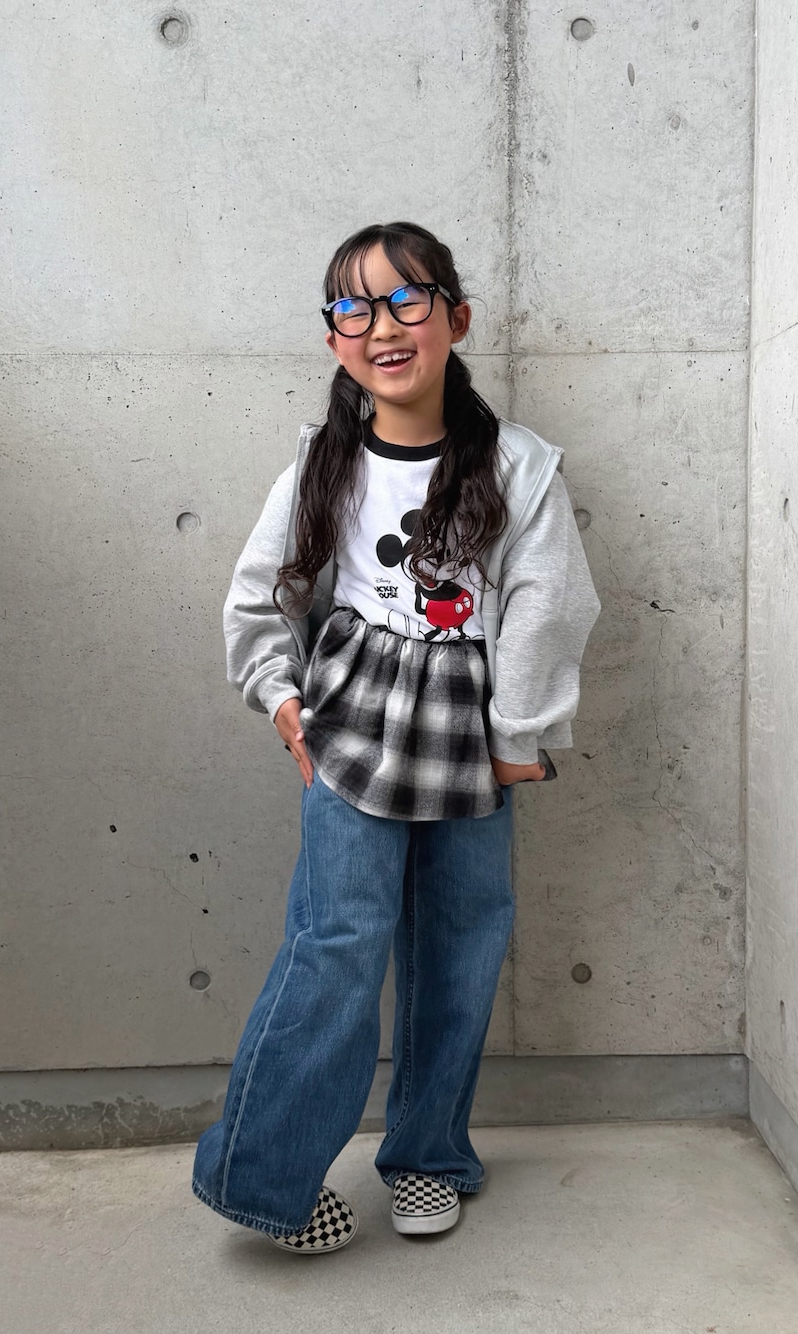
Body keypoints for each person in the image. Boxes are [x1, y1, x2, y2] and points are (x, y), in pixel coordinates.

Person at [191, 221, 601, 1253]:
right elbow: (263, 592)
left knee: (460, 947)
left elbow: (548, 601)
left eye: (406, 300)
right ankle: (262, 1177)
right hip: (351, 731)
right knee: (335, 943)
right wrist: (282, 700)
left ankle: (428, 1155)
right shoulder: (321, 462)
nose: (382, 326)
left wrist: (517, 731)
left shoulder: (516, 465)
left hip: (470, 736)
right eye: (354, 307)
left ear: (454, 319)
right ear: (333, 336)